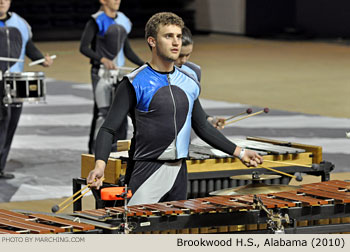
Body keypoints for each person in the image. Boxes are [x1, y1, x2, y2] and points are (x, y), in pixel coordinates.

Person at [87, 12, 263, 206]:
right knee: (137, 232)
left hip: (180, 171)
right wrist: (100, 165)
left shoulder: (189, 82)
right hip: (147, 170)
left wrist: (239, 152)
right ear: (152, 41)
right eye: (168, 36)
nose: (176, 42)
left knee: (174, 232)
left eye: (178, 36)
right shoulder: (134, 82)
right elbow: (107, 129)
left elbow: (202, 127)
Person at [80, 0, 144, 154]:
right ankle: (94, 151)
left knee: (121, 113)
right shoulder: (96, 20)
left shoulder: (123, 20)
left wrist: (144, 65)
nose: (117, 1)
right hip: (101, 73)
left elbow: (127, 50)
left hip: (119, 73)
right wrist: (102, 59)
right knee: (102, 113)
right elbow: (83, 47)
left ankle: (116, 151)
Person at [0, 0, 53, 179]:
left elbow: (27, 46)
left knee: (10, 125)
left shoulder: (20, 23)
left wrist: (41, 59)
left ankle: (0, 166)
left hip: (15, 82)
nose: (2, 2)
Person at [175, 26, 225, 129]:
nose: (184, 60)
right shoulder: (152, 76)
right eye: (180, 55)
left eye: (187, 55)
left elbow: (193, 108)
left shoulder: (193, 71)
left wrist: (208, 119)